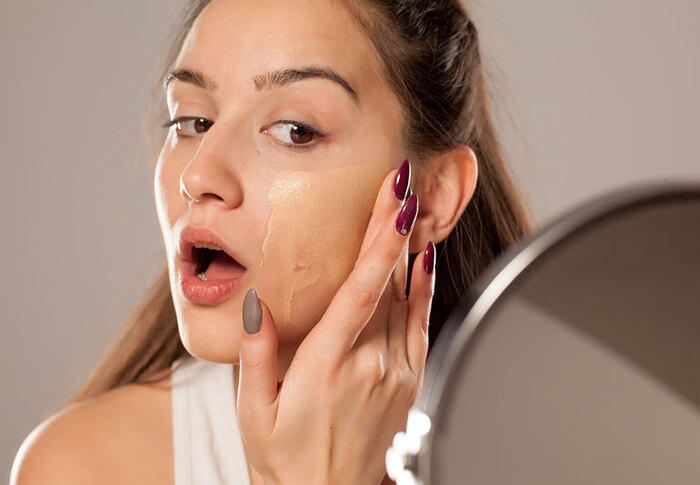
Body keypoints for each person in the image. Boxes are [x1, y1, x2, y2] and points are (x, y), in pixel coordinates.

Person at [11, 0, 532, 483]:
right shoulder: (88, 467)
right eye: (193, 121)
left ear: (434, 196)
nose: (198, 175)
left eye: (295, 131)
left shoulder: (558, 450)